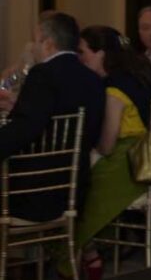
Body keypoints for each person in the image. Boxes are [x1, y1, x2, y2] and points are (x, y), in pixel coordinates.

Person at [63, 25, 151, 279]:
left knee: (77, 187)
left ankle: (78, 252)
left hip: (132, 165)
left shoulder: (114, 89)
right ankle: (91, 253)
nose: (79, 58)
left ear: (100, 54)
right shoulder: (138, 75)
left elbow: (107, 145)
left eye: (82, 52)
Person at [0, 12, 105, 221]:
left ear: (48, 44)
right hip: (74, 192)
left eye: (36, 41)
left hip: (33, 192)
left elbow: (25, 128)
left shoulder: (42, 74)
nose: (33, 47)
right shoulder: (93, 79)